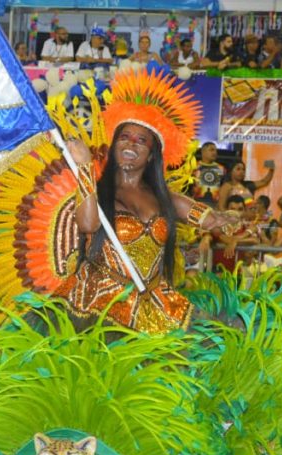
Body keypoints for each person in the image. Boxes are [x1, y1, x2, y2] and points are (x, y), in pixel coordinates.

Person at [55, 70, 237, 334]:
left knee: (214, 340)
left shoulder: (164, 198)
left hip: (154, 302)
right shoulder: (98, 191)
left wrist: (231, 220)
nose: (131, 144)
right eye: (124, 137)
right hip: (101, 305)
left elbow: (211, 220)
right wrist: (84, 167)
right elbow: (87, 224)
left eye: (141, 140)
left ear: (152, 155)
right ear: (114, 145)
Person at [192, 142, 226, 207]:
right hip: (196, 204)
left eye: (215, 150)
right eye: (211, 150)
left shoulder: (222, 169)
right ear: (203, 152)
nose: (215, 153)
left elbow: (224, 188)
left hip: (215, 206)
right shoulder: (194, 167)